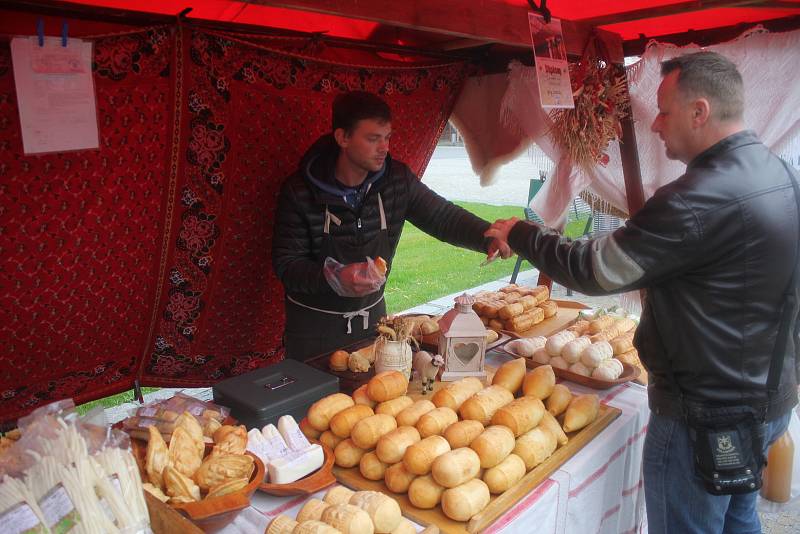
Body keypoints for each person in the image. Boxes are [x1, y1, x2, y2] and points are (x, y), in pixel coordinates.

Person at [485, 51, 799, 533]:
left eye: (664, 111)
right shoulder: (783, 178)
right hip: (767, 400)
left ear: (700, 111)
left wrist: (524, 233)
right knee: (740, 519)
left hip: (704, 415)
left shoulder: (695, 200)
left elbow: (595, 270)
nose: (655, 126)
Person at [272, 91, 509, 361]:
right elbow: (287, 264)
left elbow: (443, 217)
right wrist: (333, 277)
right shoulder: (300, 191)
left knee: (374, 397)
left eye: (387, 137)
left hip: (374, 323)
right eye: (373, 139)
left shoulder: (396, 181)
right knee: (315, 402)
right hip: (314, 332)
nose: (384, 148)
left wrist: (487, 236)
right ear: (343, 138)